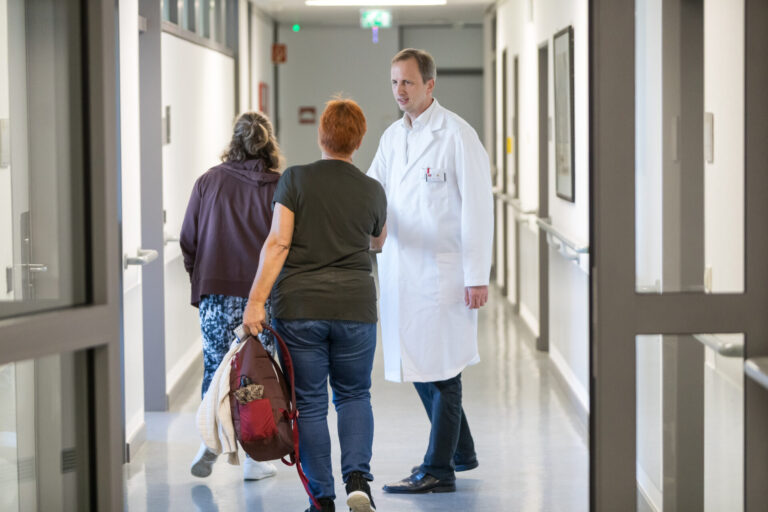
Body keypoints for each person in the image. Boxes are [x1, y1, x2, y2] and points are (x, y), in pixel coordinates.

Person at [242, 98, 387, 512]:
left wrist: (256, 302)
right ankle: (358, 480)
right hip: (357, 309)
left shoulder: (295, 180)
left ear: (321, 135)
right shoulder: (372, 189)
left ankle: (321, 499)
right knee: (356, 394)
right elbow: (378, 240)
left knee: (309, 403)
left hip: (300, 308)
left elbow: (279, 242)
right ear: (358, 141)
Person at [367, 48, 493, 494]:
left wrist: (477, 275)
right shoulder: (391, 138)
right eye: (395, 83)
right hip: (402, 272)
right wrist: (366, 232)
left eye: (408, 83)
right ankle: (461, 450)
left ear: (430, 85)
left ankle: (439, 468)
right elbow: (373, 192)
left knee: (443, 372)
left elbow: (479, 209)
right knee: (420, 365)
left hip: (444, 275)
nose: (400, 91)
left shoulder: (457, 135)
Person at [180, 111, 282, 482]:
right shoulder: (280, 187)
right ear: (269, 143)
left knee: (215, 367)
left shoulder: (208, 181)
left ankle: (209, 440)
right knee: (254, 372)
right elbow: (287, 243)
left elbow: (188, 239)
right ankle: (255, 459)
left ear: (233, 142)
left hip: (216, 295)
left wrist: (201, 278)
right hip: (262, 297)